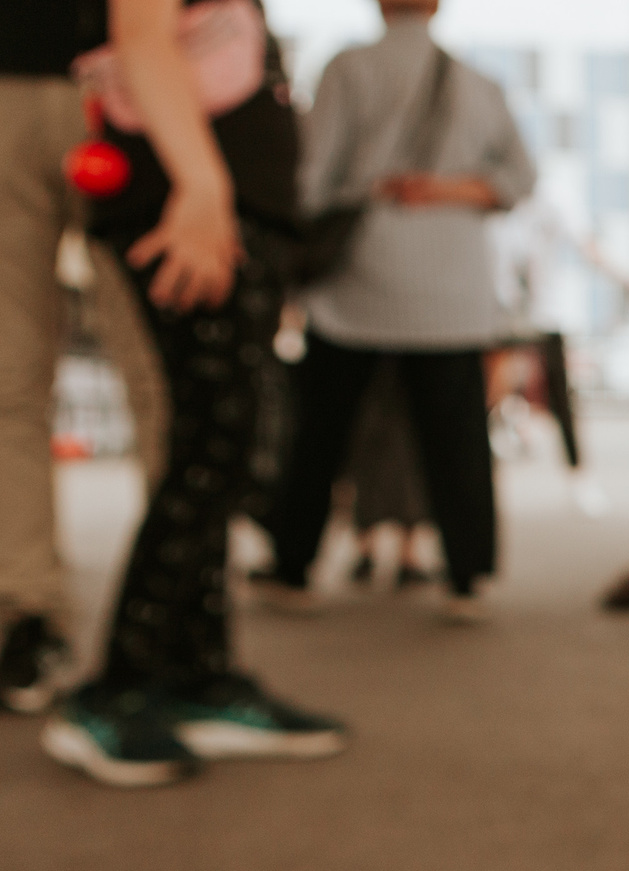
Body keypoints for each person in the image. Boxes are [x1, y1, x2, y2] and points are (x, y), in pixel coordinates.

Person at [37, 0, 345, 787]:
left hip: (225, 200)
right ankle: (117, 689)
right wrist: (203, 187)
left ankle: (199, 675)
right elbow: (141, 34)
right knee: (216, 445)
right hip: (193, 204)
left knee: (222, 442)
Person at [259, 0, 533, 625]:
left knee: (320, 435)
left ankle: (292, 567)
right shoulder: (479, 82)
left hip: (360, 284)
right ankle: (469, 575)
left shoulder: (348, 69)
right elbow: (522, 177)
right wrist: (445, 190)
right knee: (459, 441)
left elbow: (310, 181)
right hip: (453, 292)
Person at [2, 1, 165, 715]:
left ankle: (172, 601)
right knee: (10, 375)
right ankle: (26, 609)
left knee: (156, 373)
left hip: (128, 82)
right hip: (24, 88)